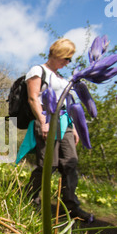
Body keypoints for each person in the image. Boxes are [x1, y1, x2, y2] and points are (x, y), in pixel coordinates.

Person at [25, 38, 94, 223]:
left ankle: (71, 206)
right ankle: (30, 199)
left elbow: (69, 103)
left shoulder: (62, 78)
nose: (68, 63)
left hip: (66, 122)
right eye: (66, 58)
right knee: (49, 164)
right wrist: (42, 121)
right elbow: (33, 98)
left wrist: (75, 128)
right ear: (57, 54)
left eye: (70, 59)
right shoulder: (38, 70)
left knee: (70, 163)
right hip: (47, 118)